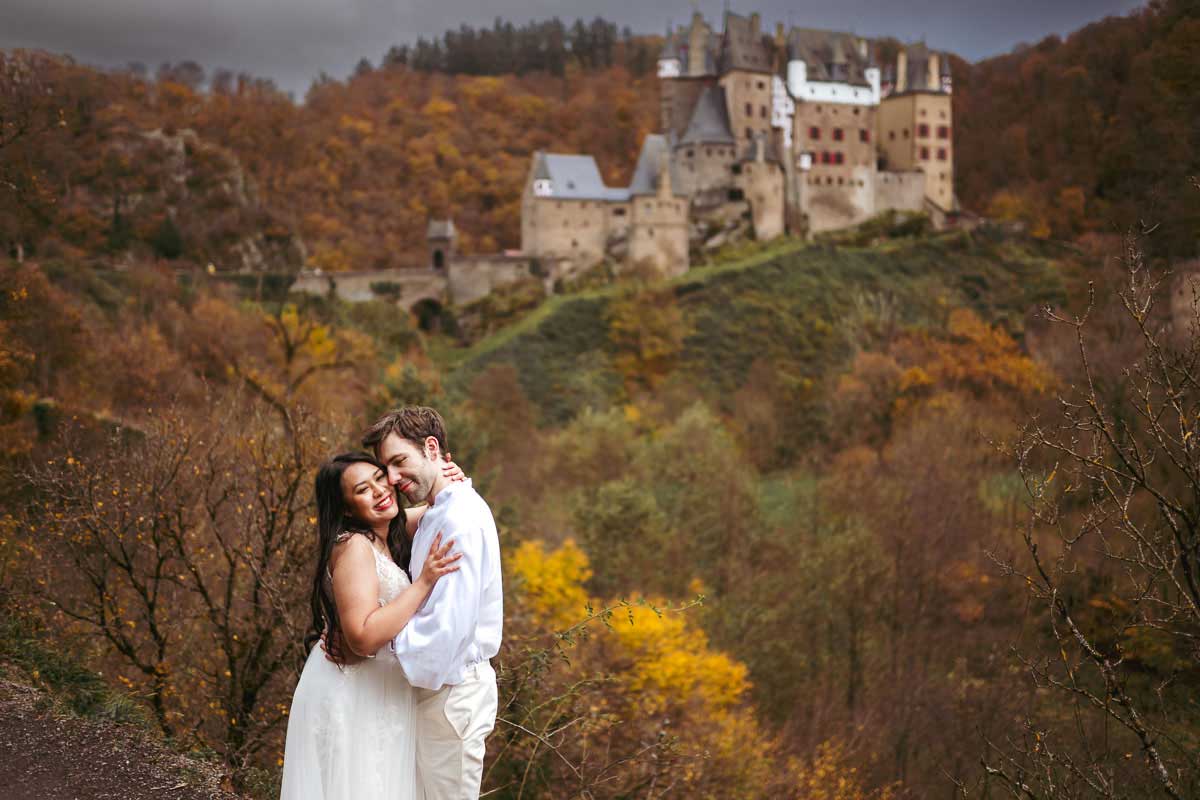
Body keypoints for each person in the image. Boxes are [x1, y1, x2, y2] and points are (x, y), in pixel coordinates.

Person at [279, 452, 462, 800]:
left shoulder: (388, 531)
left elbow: (445, 501)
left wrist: (446, 472)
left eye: (381, 479)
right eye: (364, 489)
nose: (380, 491)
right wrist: (423, 583)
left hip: (380, 688)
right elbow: (362, 638)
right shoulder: (355, 547)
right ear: (347, 508)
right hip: (353, 689)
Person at [361, 406, 503, 800]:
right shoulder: (442, 510)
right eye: (384, 468)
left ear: (431, 447)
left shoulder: (459, 520)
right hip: (436, 692)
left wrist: (374, 640)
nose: (391, 478)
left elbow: (444, 631)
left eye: (399, 461)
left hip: (451, 696)